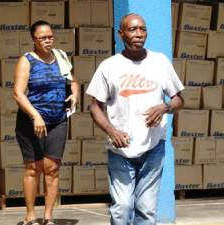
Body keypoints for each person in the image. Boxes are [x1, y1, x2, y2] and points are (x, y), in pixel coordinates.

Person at [86, 14, 184, 225]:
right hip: (121, 150)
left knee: (146, 211)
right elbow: (95, 107)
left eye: (142, 29)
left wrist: (165, 107)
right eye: (132, 30)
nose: (139, 34)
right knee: (121, 208)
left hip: (153, 147)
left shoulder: (159, 62)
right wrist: (112, 131)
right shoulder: (109, 66)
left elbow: (178, 99)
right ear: (121, 34)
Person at [13, 20, 79, 225]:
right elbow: (17, 93)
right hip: (31, 121)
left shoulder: (60, 56)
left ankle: (48, 217)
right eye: (42, 38)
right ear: (34, 39)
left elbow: (73, 80)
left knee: (52, 169)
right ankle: (30, 215)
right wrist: (35, 115)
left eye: (50, 36)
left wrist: (75, 93)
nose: (47, 41)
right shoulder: (27, 61)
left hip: (57, 120)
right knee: (33, 168)